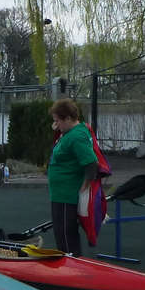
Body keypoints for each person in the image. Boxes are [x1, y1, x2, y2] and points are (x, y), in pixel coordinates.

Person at [47, 97, 100, 254]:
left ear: (68, 118)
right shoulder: (70, 132)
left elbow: (91, 163)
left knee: (66, 236)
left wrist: (85, 185)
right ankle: (69, 266)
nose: (56, 125)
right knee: (62, 235)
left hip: (67, 195)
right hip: (61, 194)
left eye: (58, 121)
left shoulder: (76, 136)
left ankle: (71, 268)